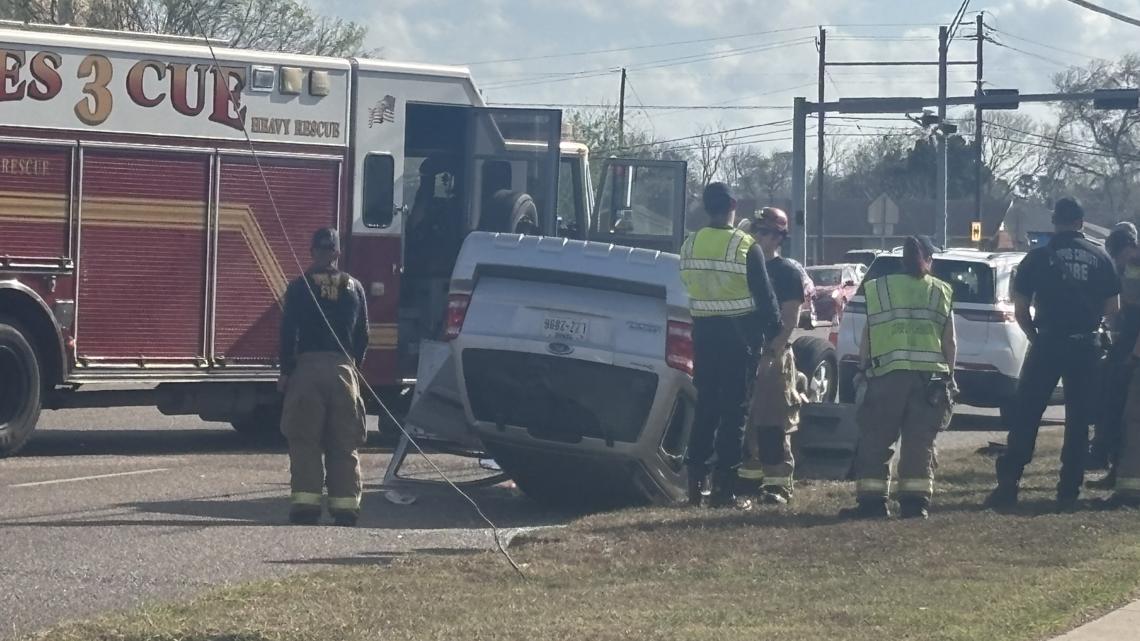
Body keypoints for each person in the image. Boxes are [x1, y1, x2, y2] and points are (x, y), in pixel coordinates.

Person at [986, 198, 1120, 513]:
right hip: (1086, 347)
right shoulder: (1101, 258)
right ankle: (1069, 489)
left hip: (1048, 343)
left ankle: (1009, 483)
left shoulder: (1037, 258)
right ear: (1081, 223)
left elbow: (1020, 309)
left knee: (1027, 413)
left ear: (1055, 222)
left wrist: (1036, 337)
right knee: (1078, 419)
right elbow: (1112, 308)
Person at [679, 183, 782, 510]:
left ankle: (695, 488)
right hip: (739, 338)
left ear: (706, 207)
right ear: (733, 206)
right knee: (734, 412)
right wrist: (774, 329)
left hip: (704, 335)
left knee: (706, 407)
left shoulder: (690, 243)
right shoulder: (745, 245)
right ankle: (725, 490)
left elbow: (687, 283)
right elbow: (765, 298)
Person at [839, 235, 957, 520]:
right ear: (929, 260)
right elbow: (949, 341)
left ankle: (873, 503)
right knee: (920, 441)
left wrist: (862, 369)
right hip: (929, 381)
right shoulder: (941, 291)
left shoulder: (880, 289)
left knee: (877, 438)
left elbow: (869, 334)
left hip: (885, 376)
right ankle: (915, 504)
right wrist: (950, 377)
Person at [278, 228, 370, 526]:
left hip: (306, 371)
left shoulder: (298, 288)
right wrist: (353, 365)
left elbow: (288, 333)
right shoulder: (355, 287)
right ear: (337, 252)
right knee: (344, 442)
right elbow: (363, 335)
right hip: (344, 370)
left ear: (312, 251)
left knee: (305, 441)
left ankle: (306, 507)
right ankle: (346, 508)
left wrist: (286, 372)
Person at [736, 207, 810, 505]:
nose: (759, 237)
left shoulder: (787, 273)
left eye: (766, 232)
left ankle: (778, 485)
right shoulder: (742, 266)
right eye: (757, 230)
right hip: (743, 352)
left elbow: (790, 320)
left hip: (773, 356)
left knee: (772, 424)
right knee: (745, 423)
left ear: (779, 237)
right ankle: (747, 484)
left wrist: (772, 352)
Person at [1088, 222, 1140, 489]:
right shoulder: (1122, 268)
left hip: (1133, 351)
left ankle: (1121, 472)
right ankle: (1114, 466)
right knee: (1112, 410)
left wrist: (1132, 355)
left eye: (1119, 254)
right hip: (1123, 345)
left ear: (1131, 247)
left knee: (1126, 414)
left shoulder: (1136, 267)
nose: (1118, 262)